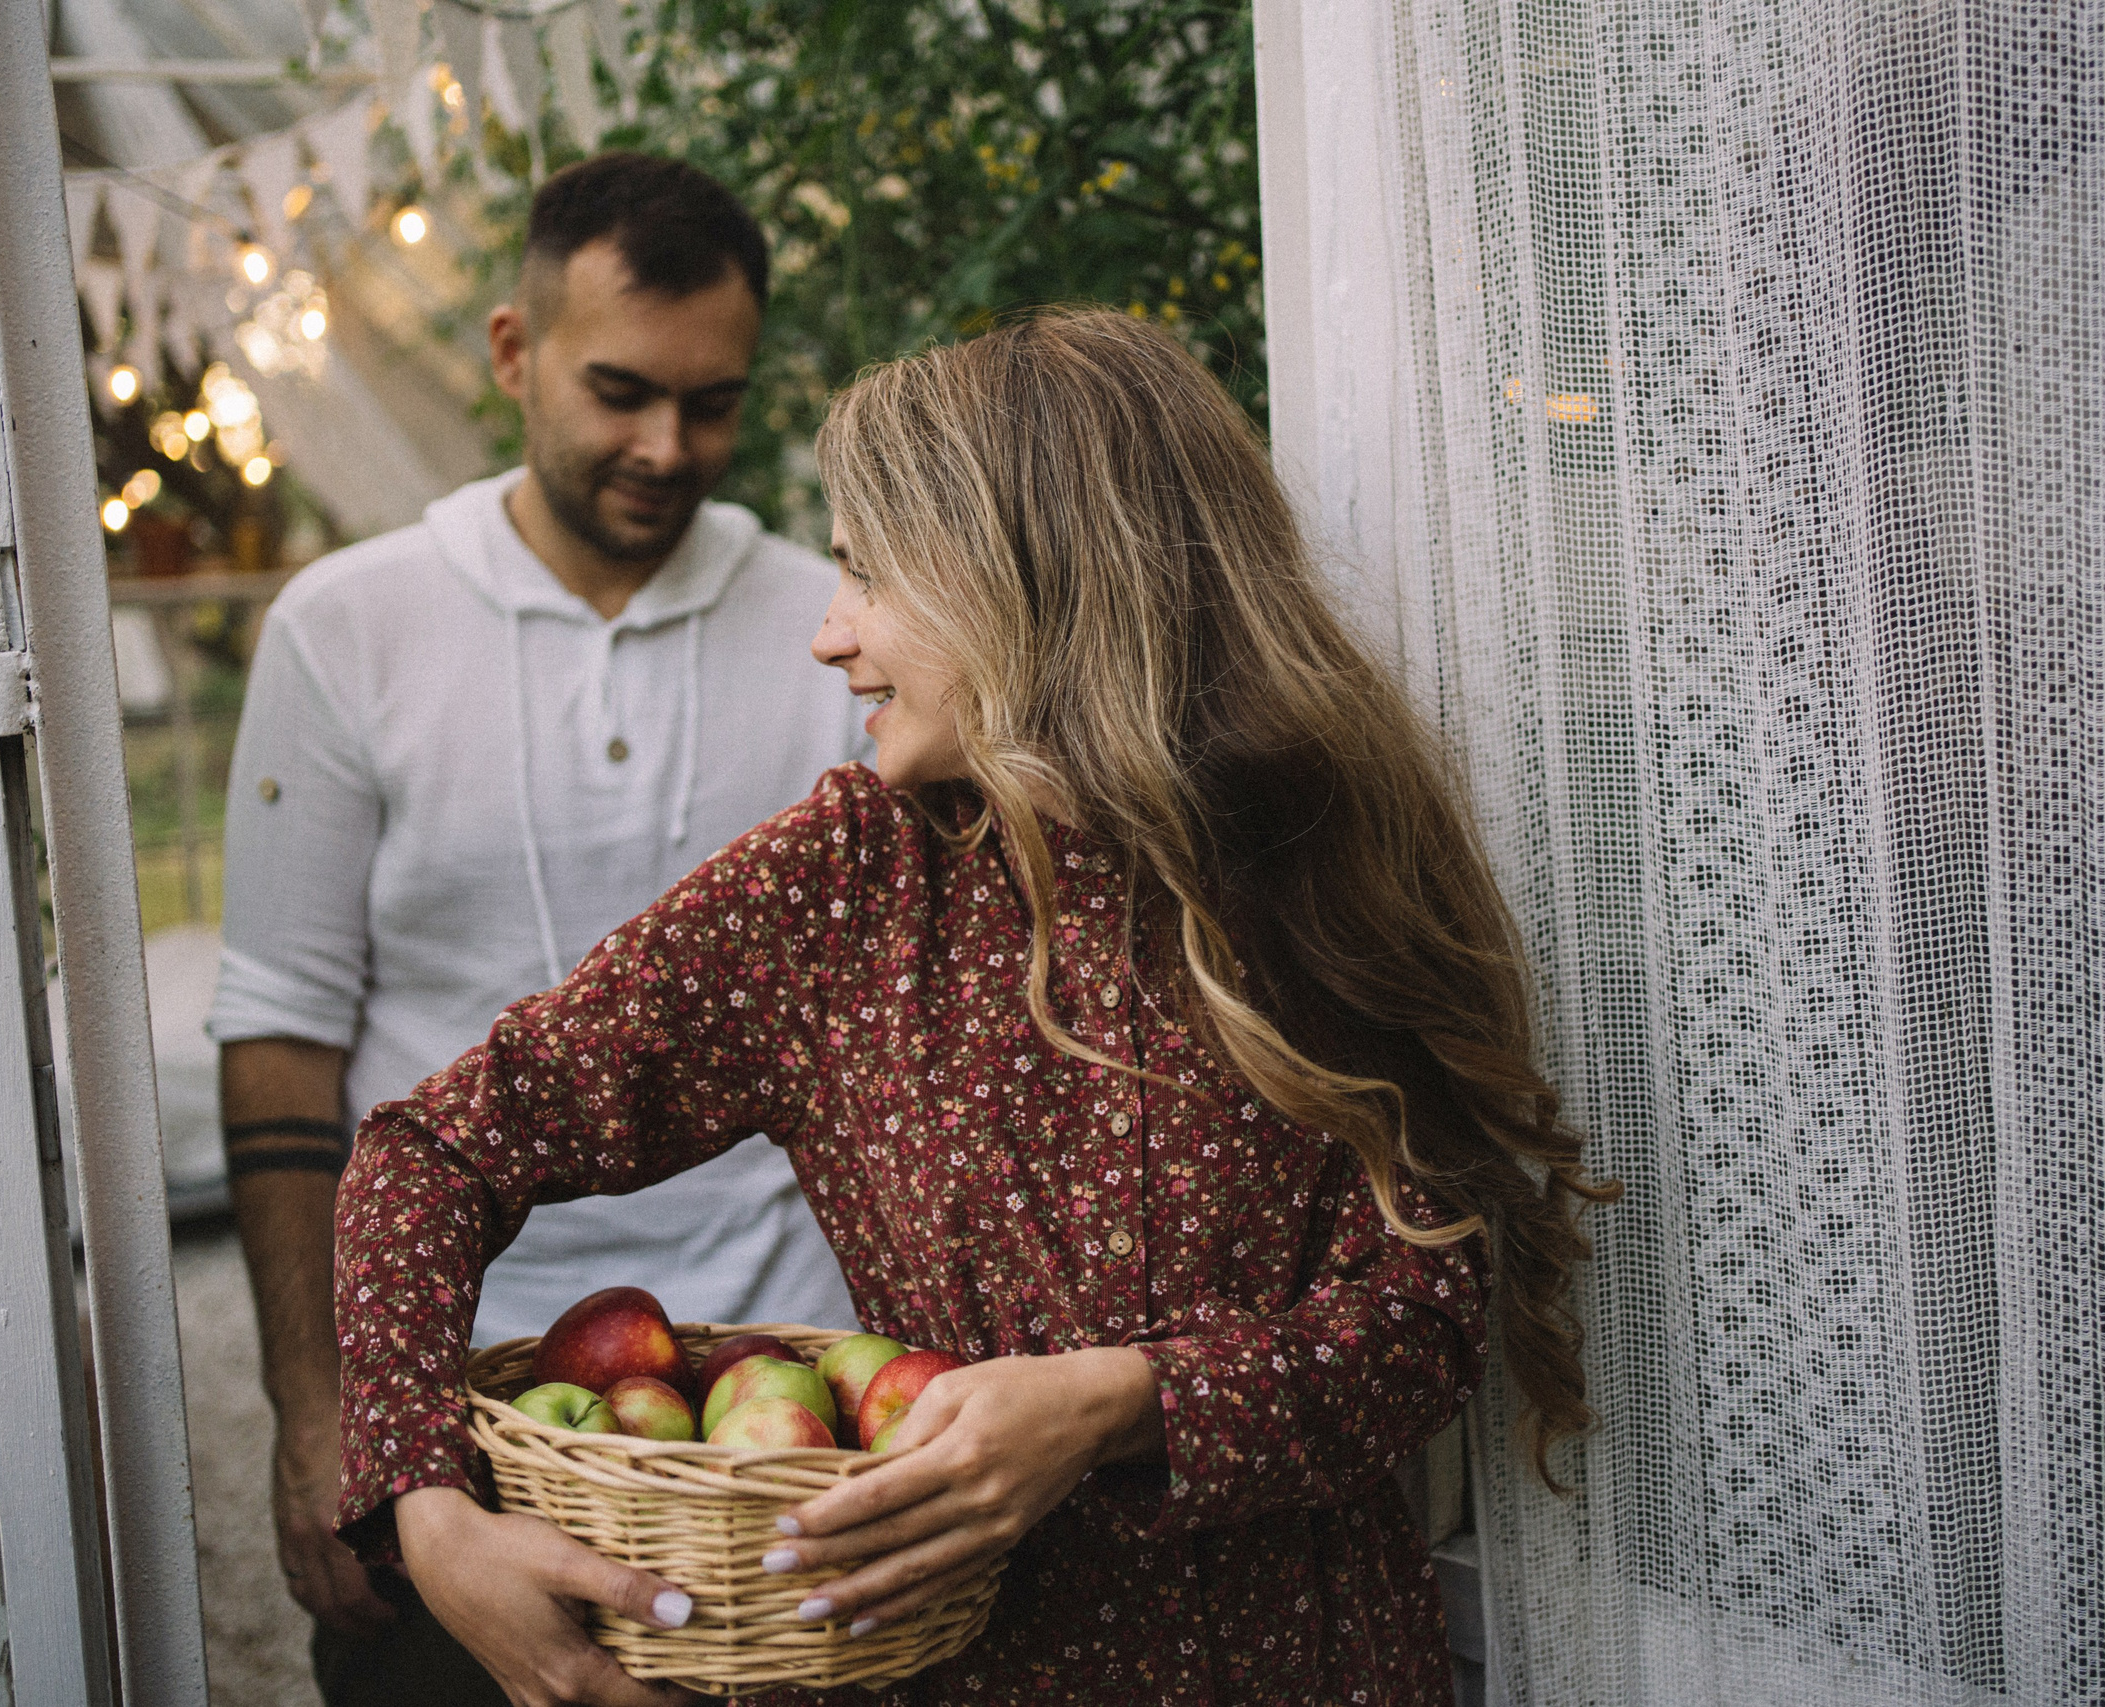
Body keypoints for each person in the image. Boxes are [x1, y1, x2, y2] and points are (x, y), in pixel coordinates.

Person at [329, 308, 1614, 1706]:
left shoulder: (1314, 848)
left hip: (1318, 1667)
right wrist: (427, 1510)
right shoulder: (845, 886)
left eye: (868, 577)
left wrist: (1123, 1405)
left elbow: (1427, 1312)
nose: (828, 638)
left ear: (1024, 579)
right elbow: (430, 1153)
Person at [206, 154, 867, 1701]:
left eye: (714, 403)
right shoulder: (348, 625)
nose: (666, 445)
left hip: (773, 1402)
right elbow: (283, 1041)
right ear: (513, 352)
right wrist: (323, 1416)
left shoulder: (829, 623)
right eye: (620, 390)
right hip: (439, 1397)